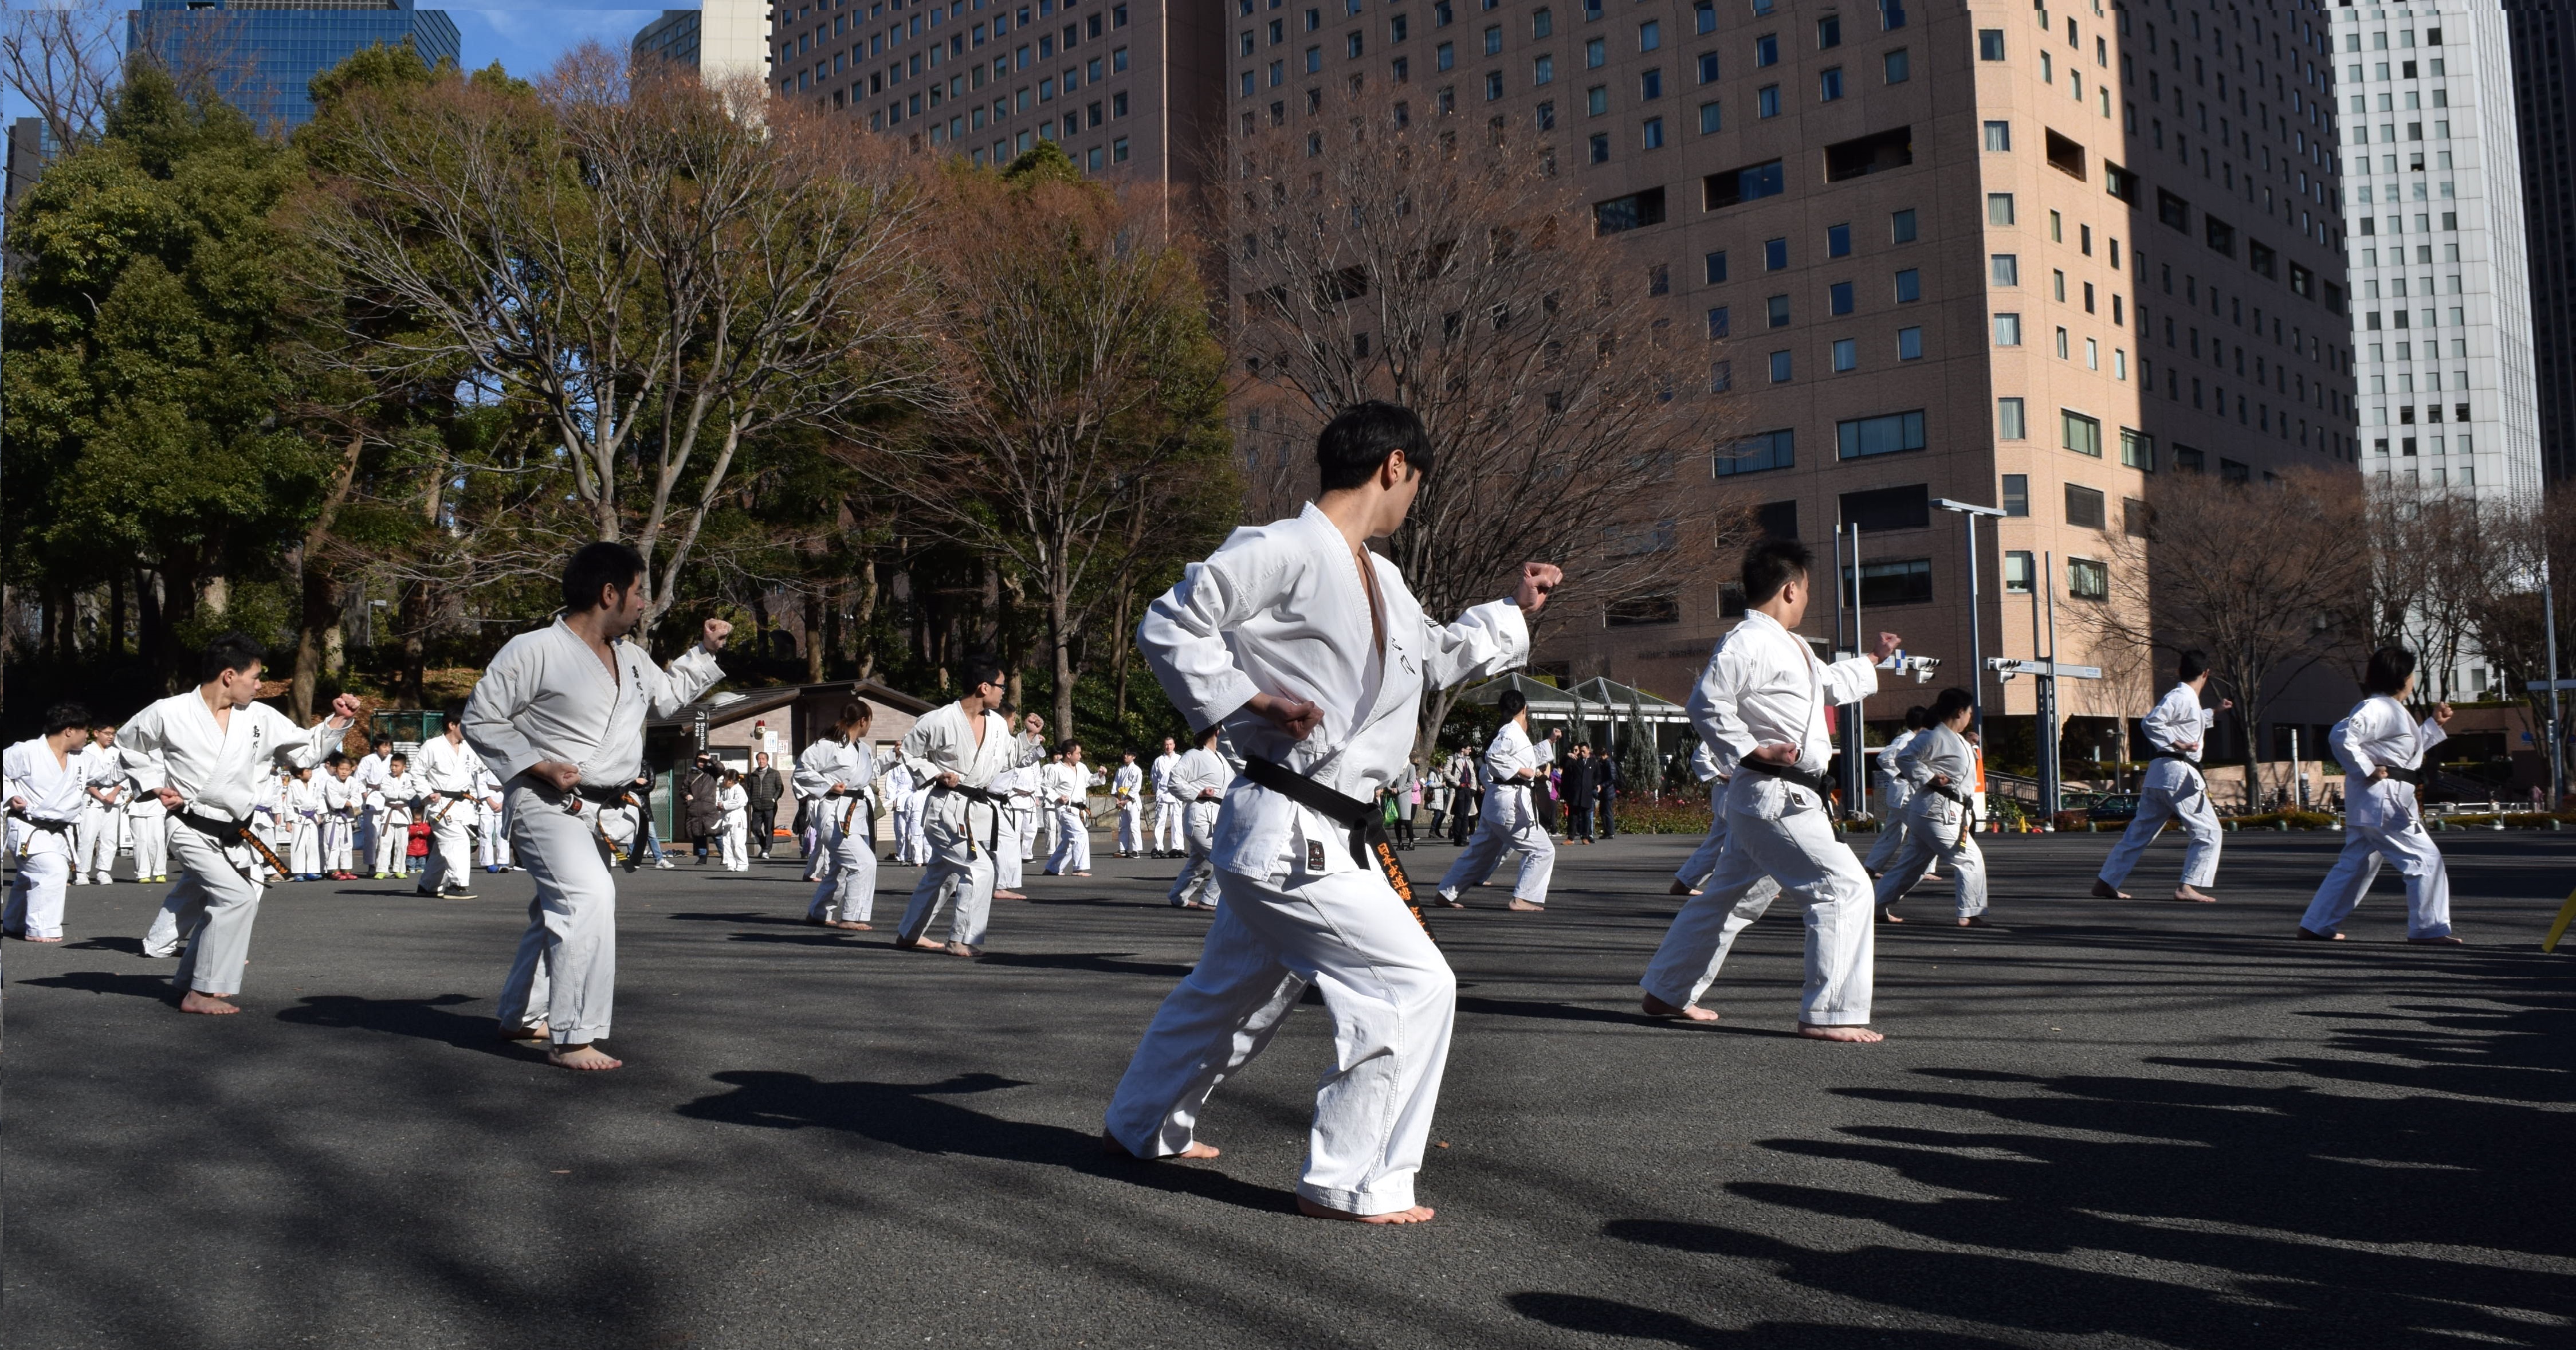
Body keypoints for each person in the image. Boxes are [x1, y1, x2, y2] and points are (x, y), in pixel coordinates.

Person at [1102, 400, 1558, 1225]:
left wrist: (1512, 611)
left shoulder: (1380, 577)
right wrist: (1249, 700)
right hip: (1286, 826)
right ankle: (1351, 1180)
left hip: (1324, 830)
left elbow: (1439, 657)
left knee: (1233, 994)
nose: (1413, 497)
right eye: (1416, 482)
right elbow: (1171, 622)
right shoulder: (1280, 547)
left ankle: (1142, 1123)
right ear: (1394, 466)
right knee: (1411, 986)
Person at [462, 541, 730, 1071]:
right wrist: (537, 765)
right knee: (587, 897)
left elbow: (669, 697)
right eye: (637, 592)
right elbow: (481, 718)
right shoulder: (532, 649)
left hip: (604, 807)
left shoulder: (631, 658)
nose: (642, 605)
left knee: (555, 911)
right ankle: (572, 1036)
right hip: (545, 802)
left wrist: (705, 652)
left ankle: (521, 1014)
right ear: (609, 593)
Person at [1636, 539, 1897, 1041]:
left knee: (1729, 900)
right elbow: (1706, 702)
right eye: (1807, 592)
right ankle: (1831, 1014)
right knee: (1844, 889)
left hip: (1777, 797)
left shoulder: (1785, 644)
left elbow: (1828, 684)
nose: (1807, 601)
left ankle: (1666, 991)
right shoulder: (1748, 641)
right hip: (1777, 795)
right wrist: (1752, 751)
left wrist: (1872, 659)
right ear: (1791, 589)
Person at [117, 637, 362, 1012]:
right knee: (237, 896)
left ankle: (188, 980)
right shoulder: (169, 711)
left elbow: (306, 750)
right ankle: (202, 992)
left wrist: (339, 721)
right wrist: (153, 783)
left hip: (234, 831)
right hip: (189, 825)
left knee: (214, 897)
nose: (261, 685)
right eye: (256, 676)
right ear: (229, 675)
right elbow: (129, 744)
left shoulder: (260, 717)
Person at [2298, 648, 2461, 945]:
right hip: (2385, 800)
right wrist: (2366, 768)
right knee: (2425, 859)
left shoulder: (2391, 710)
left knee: (2356, 864)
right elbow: (2341, 736)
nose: (2414, 679)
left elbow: (2402, 754)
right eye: (2412, 674)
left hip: (2376, 800)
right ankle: (2428, 928)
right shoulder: (2379, 708)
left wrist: (2433, 726)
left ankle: (2317, 924)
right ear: (2404, 678)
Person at [890, 655, 1047, 956]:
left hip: (975, 809)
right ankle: (961, 940)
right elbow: (909, 754)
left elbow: (1011, 756)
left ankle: (909, 934)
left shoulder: (999, 725)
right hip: (946, 808)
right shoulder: (938, 720)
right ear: (984, 687)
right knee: (981, 869)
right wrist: (936, 773)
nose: (1005, 692)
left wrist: (1028, 736)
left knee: (942, 877)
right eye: (1001, 686)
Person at [2091, 650, 2231, 904]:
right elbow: (2151, 722)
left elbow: (2189, 722)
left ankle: (2106, 882)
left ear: (2180, 671)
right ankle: (2188, 886)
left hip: (2161, 773)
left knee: (2140, 832)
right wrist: (2176, 742)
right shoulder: (2181, 696)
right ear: (2206, 674)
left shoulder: (2186, 699)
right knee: (2209, 831)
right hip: (2177, 772)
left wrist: (2215, 712)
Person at [1873, 688, 1988, 927]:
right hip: (1936, 812)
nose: (1970, 717)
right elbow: (1903, 758)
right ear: (1960, 711)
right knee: (1970, 860)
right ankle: (1969, 913)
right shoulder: (1934, 736)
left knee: (1911, 866)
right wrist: (1929, 776)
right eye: (1969, 712)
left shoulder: (1954, 738)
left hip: (1941, 811)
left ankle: (1873, 906)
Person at [1434, 693, 1558, 911]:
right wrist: (1521, 771)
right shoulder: (1510, 731)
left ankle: (1446, 893)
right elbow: (1495, 756)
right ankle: (1522, 898)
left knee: (1480, 854)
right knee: (1543, 850)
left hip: (1498, 803)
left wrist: (1549, 743)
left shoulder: (1512, 732)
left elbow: (1524, 757)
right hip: (1508, 804)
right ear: (1524, 709)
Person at [5, 703, 99, 943]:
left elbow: (110, 773)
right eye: (84, 730)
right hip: (29, 827)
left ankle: (14, 922)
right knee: (52, 870)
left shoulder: (83, 759)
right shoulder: (26, 751)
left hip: (59, 831)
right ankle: (41, 928)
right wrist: (9, 796)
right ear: (69, 730)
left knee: (28, 877)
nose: (86, 736)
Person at [796, 701, 880, 929]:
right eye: (870, 721)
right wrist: (828, 785)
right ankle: (851, 916)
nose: (870, 726)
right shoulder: (828, 746)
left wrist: (895, 756)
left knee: (840, 867)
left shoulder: (863, 749)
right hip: (834, 814)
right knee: (864, 863)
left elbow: (871, 770)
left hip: (856, 813)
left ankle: (819, 912)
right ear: (863, 720)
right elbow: (802, 770)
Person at [415, 712, 482, 899]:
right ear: (452, 725)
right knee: (458, 840)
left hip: (461, 803)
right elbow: (416, 773)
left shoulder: (468, 748)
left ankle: (429, 884)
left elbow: (481, 766)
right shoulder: (433, 746)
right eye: (464, 725)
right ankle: (457, 885)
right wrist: (428, 793)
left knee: (442, 846)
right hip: (440, 803)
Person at [1165, 723, 1228, 909]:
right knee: (1224, 860)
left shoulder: (1222, 758)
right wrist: (1198, 792)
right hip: (1199, 817)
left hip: (1216, 817)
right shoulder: (1194, 755)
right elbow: (1174, 781)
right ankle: (1209, 899)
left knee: (1201, 865)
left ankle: (1178, 896)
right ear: (1217, 732)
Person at [1863, 707, 1928, 879]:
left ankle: (1871, 867)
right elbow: (1883, 757)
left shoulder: (1913, 739)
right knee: (1923, 829)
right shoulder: (1906, 739)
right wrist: (1903, 773)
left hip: (1903, 795)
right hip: (1904, 795)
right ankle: (1921, 870)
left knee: (1893, 833)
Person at [74, 723, 125, 885]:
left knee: (110, 838)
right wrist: (100, 796)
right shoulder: (87, 752)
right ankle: (82, 872)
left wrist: (113, 793)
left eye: (113, 734)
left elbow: (125, 775)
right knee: (87, 836)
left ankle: (104, 871)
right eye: (107, 733)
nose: (111, 737)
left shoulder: (117, 753)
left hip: (113, 799)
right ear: (96, 733)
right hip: (92, 799)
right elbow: (83, 777)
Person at [990, 756, 1040, 901]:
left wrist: (1032, 742)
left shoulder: (1010, 747)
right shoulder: (997, 745)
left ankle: (1026, 854)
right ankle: (999, 886)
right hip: (1002, 797)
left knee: (1021, 834)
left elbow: (1026, 763)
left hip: (1004, 798)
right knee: (1010, 836)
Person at [1043, 740, 1095, 876]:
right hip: (1064, 809)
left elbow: (1090, 780)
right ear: (1069, 754)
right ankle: (1078, 868)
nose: (1080, 756)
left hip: (1078, 809)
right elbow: (1045, 786)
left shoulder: (1082, 767)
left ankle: (1052, 868)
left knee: (1068, 842)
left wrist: (1100, 776)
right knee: (1081, 834)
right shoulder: (1056, 769)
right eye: (1078, 753)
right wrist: (1057, 797)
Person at [125, 748, 171, 885]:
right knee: (141, 841)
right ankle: (142, 873)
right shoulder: (131, 754)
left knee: (158, 839)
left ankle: (160, 872)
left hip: (157, 804)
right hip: (137, 805)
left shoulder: (160, 754)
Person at [352, 733, 394, 874]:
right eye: (384, 746)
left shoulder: (392, 760)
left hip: (388, 797)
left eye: (389, 746)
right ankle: (371, 864)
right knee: (371, 834)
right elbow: (358, 779)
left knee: (386, 835)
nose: (387, 749)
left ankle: (384, 865)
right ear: (376, 747)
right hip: (371, 796)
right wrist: (364, 793)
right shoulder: (368, 760)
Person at [371, 754, 416, 880]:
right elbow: (386, 792)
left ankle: (399, 869)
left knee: (402, 844)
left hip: (403, 812)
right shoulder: (386, 778)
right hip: (389, 812)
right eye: (392, 765)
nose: (393, 768)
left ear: (404, 767)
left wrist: (398, 794)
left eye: (396, 766)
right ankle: (381, 869)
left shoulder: (409, 778)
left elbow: (411, 794)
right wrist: (401, 794)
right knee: (385, 842)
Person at [321, 756, 360, 880]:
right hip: (333, 816)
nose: (344, 772)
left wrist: (347, 802)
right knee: (332, 844)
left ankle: (346, 869)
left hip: (347, 817)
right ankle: (333, 870)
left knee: (347, 844)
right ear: (336, 769)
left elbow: (358, 800)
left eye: (347, 769)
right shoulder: (331, 782)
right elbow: (334, 802)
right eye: (341, 769)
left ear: (351, 771)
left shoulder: (353, 782)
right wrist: (349, 802)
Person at [285, 764, 324, 880]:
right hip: (299, 817)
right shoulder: (293, 784)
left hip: (312, 816)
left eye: (310, 770)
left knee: (313, 845)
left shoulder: (315, 783)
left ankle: (313, 870)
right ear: (299, 774)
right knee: (299, 845)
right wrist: (288, 821)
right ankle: (299, 871)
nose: (310, 773)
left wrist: (320, 815)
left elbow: (320, 798)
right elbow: (288, 803)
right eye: (307, 771)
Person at [681, 753, 721, 866]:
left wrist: (711, 759)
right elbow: (683, 789)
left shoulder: (712, 772)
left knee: (716, 833)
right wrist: (687, 795)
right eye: (700, 760)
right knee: (698, 834)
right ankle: (702, 857)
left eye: (704, 761)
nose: (702, 763)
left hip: (709, 808)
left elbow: (721, 768)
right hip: (694, 808)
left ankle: (725, 855)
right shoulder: (690, 774)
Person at [746, 751, 786, 860]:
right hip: (757, 806)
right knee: (755, 828)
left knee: (769, 828)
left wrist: (774, 798)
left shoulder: (774, 773)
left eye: (763, 759)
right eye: (759, 759)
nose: (761, 761)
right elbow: (749, 789)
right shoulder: (753, 775)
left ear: (767, 760)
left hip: (770, 805)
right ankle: (765, 847)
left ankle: (766, 851)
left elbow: (780, 788)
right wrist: (751, 801)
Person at [1149, 736, 1185, 858]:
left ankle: (1178, 847)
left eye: (1170, 744)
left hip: (1176, 793)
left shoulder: (1180, 759)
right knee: (1160, 821)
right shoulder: (1159, 760)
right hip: (1163, 792)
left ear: (1174, 745)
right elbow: (1154, 777)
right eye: (1166, 744)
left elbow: (1184, 775)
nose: (1168, 747)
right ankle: (1158, 847)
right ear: (1163, 746)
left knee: (1177, 821)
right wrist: (1157, 790)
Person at [882, 759, 918, 865]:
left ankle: (916, 857)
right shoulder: (897, 766)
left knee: (915, 831)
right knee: (901, 831)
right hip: (901, 799)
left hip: (916, 798)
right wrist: (893, 800)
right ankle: (903, 857)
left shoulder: (917, 762)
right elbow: (891, 783)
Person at [1111, 750, 1146, 857]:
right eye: (1124, 754)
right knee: (1123, 825)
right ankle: (1123, 849)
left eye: (1128, 754)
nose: (1125, 756)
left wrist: (1126, 800)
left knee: (1134, 825)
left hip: (1132, 801)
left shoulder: (1136, 770)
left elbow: (1136, 787)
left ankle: (1136, 850)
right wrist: (1118, 799)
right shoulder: (1120, 770)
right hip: (1121, 799)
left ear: (1134, 757)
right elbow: (1116, 785)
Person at [716, 768, 751, 872]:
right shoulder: (726, 790)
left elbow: (739, 802)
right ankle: (730, 863)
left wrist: (724, 805)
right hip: (728, 819)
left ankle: (742, 864)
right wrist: (719, 805)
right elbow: (720, 801)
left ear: (730, 780)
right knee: (727, 842)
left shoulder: (739, 789)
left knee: (738, 842)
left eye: (725, 779)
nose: (723, 781)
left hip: (738, 818)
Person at [1562, 744, 1596, 843]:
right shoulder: (1575, 761)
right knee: (1573, 816)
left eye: (1583, 751)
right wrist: (1568, 756)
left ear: (1588, 751)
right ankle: (1571, 838)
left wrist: (1593, 785)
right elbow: (1564, 765)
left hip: (1586, 793)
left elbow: (1598, 775)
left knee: (1586, 817)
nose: (1581, 753)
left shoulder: (1593, 762)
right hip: (1576, 794)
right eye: (1579, 751)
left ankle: (1585, 837)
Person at [1447, 748, 1480, 845]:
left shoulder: (1469, 761)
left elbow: (1473, 775)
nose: (1470, 751)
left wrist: (1473, 788)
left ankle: (1463, 839)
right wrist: (1457, 783)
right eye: (1468, 749)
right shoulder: (1452, 759)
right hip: (1459, 790)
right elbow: (1446, 772)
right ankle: (1457, 839)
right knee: (1459, 815)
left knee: (1466, 815)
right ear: (1463, 749)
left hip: (1468, 790)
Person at [1594, 745, 1620, 839]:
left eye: (1601, 755)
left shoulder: (1610, 764)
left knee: (1607, 811)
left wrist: (1602, 786)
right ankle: (1607, 831)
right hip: (1605, 792)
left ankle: (1610, 832)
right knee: (1603, 811)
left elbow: (1612, 779)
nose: (1600, 757)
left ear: (1605, 755)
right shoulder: (1604, 763)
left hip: (1609, 792)